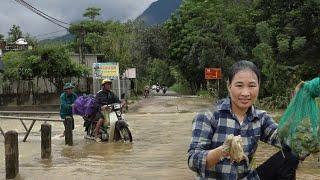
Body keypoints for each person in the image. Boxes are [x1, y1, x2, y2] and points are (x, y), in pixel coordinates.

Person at [188, 60, 305, 179]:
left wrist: (299, 103)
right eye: (239, 86)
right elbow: (193, 160)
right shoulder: (208, 115)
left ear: (259, 86)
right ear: (229, 86)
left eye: (252, 86)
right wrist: (223, 150)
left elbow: (286, 140)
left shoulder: (260, 118)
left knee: (291, 157)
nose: (245, 93)